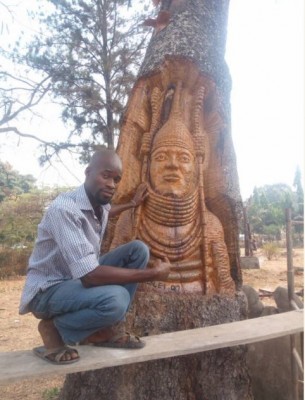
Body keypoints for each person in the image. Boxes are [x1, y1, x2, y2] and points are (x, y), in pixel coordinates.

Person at [19, 149, 171, 365]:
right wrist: (153, 273)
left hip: (75, 279)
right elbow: (90, 276)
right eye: (106, 175)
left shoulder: (98, 206)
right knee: (116, 299)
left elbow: (110, 211)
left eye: (116, 179)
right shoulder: (64, 209)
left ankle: (102, 330)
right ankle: (54, 328)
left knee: (138, 250)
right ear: (88, 172)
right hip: (48, 290)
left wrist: (133, 204)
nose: (112, 184)